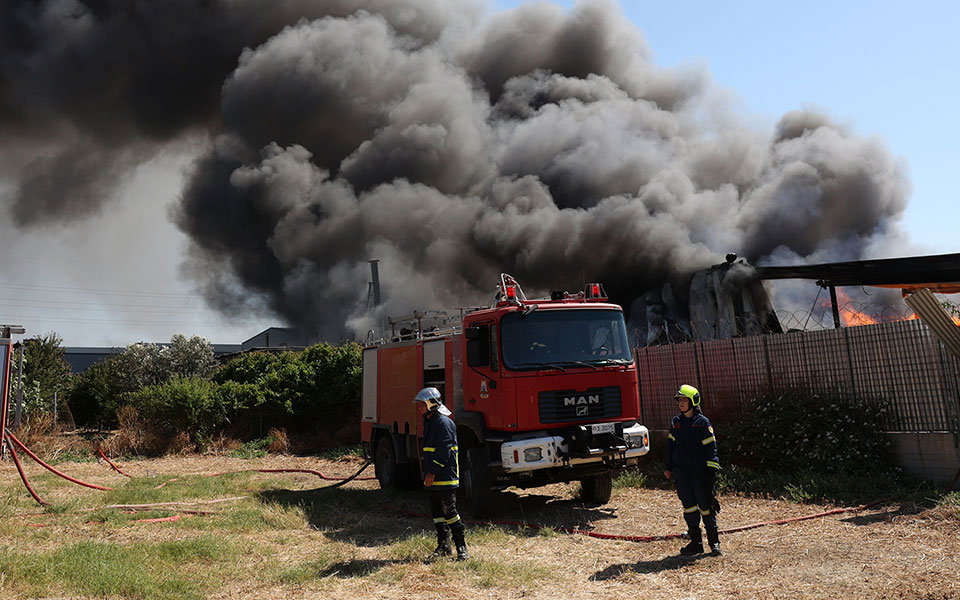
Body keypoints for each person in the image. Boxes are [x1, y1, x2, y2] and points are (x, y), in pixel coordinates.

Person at [663, 384, 722, 556]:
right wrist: (668, 467)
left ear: (693, 401)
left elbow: (711, 448)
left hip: (700, 473)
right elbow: (670, 446)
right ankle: (695, 543)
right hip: (682, 474)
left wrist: (711, 471)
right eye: (679, 400)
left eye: (684, 400)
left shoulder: (702, 423)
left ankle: (714, 543)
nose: (680, 403)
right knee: (689, 507)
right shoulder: (676, 423)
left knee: (706, 506)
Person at [413, 387, 468, 561]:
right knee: (437, 514)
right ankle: (444, 546)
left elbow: (444, 453)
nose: (418, 408)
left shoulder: (443, 423)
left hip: (444, 477)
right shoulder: (430, 421)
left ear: (431, 404)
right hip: (433, 477)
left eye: (421, 404)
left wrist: (432, 473)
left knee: (450, 512)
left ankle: (461, 547)